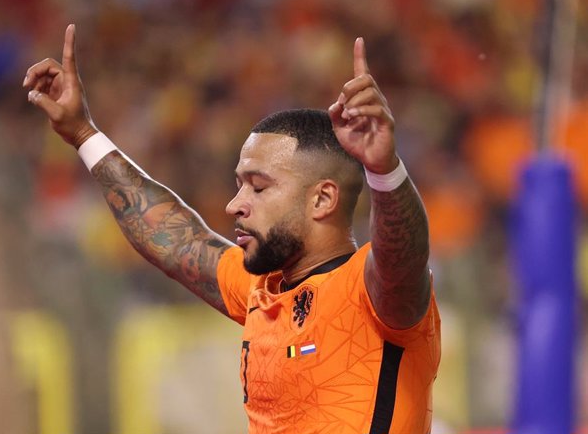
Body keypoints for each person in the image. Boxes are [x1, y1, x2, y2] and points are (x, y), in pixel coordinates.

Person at [24, 24, 440, 434]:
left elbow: (403, 257)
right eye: (239, 184)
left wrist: (385, 172)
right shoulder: (261, 288)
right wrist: (84, 135)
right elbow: (175, 237)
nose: (234, 204)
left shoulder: (375, 295)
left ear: (323, 199)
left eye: (258, 187)